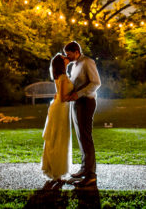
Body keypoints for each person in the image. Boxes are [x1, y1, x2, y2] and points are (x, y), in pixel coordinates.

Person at [63, 41, 101, 187]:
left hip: (86, 103)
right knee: (80, 136)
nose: (67, 56)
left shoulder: (87, 62)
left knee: (86, 136)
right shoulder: (74, 65)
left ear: (76, 52)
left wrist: (78, 94)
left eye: (69, 54)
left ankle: (91, 175)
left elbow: (96, 83)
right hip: (77, 103)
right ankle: (84, 169)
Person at [41, 53, 74, 183]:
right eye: (64, 58)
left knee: (54, 138)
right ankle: (57, 171)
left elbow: (59, 94)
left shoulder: (59, 76)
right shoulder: (63, 77)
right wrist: (75, 95)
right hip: (61, 109)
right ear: (62, 63)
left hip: (59, 108)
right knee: (59, 138)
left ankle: (54, 169)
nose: (67, 58)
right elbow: (62, 97)